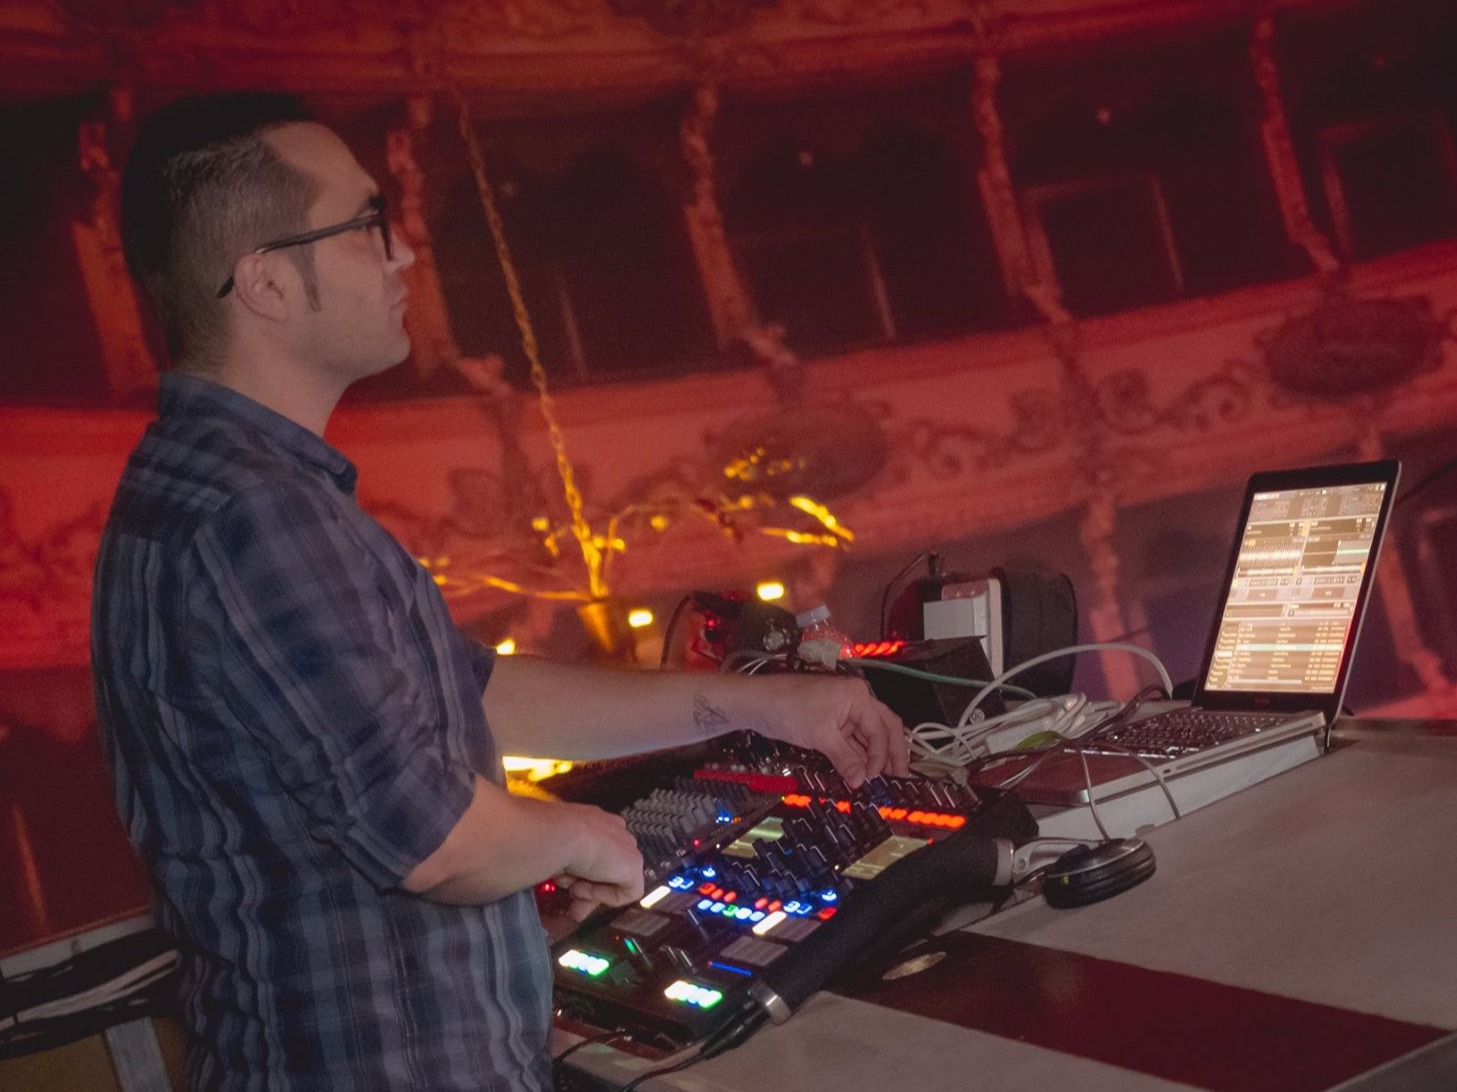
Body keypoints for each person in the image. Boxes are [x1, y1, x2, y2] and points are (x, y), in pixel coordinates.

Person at [91, 92, 908, 1091]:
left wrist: (755, 702)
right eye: (366, 224)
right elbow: (434, 840)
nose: (402, 254)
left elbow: (470, 693)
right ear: (264, 281)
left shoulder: (217, 486)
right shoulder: (257, 517)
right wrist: (580, 837)